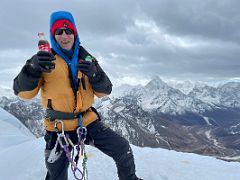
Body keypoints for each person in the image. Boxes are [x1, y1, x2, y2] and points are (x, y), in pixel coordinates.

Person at [13, 10, 142, 180]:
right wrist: (31, 69)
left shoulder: (88, 59)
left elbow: (105, 91)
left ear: (75, 33)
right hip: (59, 127)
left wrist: (95, 75)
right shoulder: (44, 60)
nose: (64, 36)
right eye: (59, 32)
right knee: (56, 174)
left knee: (122, 147)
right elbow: (23, 94)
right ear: (53, 36)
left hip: (87, 121)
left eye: (69, 31)